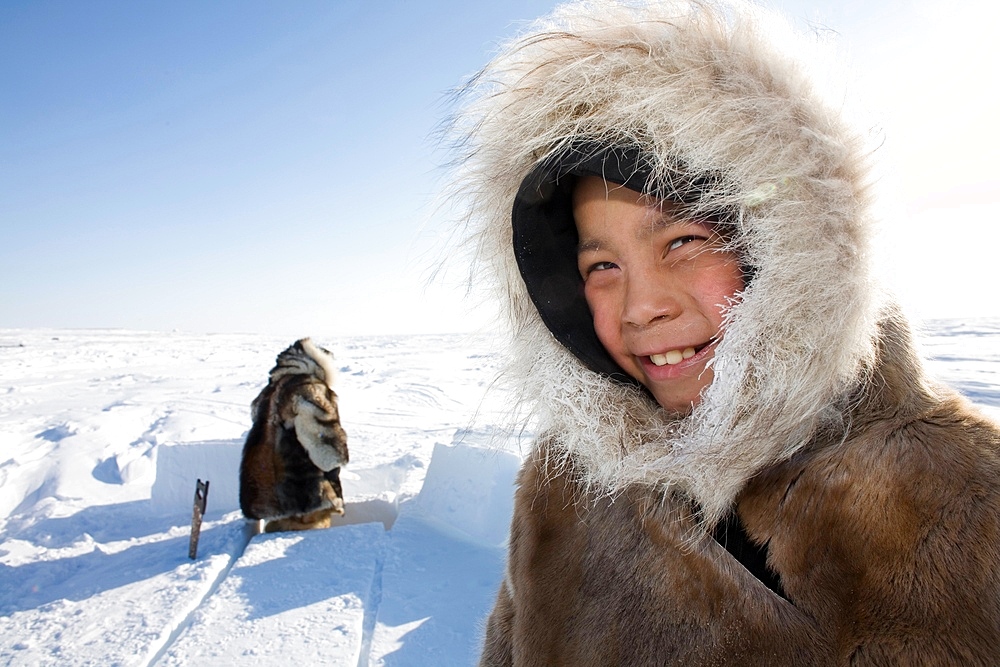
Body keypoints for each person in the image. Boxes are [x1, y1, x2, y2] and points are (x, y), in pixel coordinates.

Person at [448, 0, 1000, 664]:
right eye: (601, 265)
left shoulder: (968, 495)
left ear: (787, 244)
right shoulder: (561, 489)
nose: (641, 306)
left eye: (683, 239)